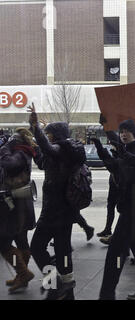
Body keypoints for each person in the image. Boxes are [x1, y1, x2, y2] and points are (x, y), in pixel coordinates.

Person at [92, 119, 135, 300]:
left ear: (134, 133)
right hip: (133, 208)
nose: (123, 134)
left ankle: (106, 294)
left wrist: (124, 154)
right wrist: (100, 148)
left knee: (115, 253)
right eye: (121, 131)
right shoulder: (126, 150)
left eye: (127, 131)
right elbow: (113, 167)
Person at [28, 104, 86, 300]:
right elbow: (43, 161)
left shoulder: (63, 149)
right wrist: (35, 145)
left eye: (49, 133)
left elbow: (47, 148)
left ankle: (56, 284)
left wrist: (35, 128)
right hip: (64, 210)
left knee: (36, 247)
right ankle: (65, 291)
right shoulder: (61, 151)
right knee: (62, 251)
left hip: (55, 210)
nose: (47, 135)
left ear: (56, 135)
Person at [0, 128, 37, 293]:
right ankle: (21, 277)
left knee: (4, 243)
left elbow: (9, 164)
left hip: (15, 205)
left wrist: (4, 148)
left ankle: (23, 273)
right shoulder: (24, 151)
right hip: (19, 202)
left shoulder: (19, 153)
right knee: (21, 240)